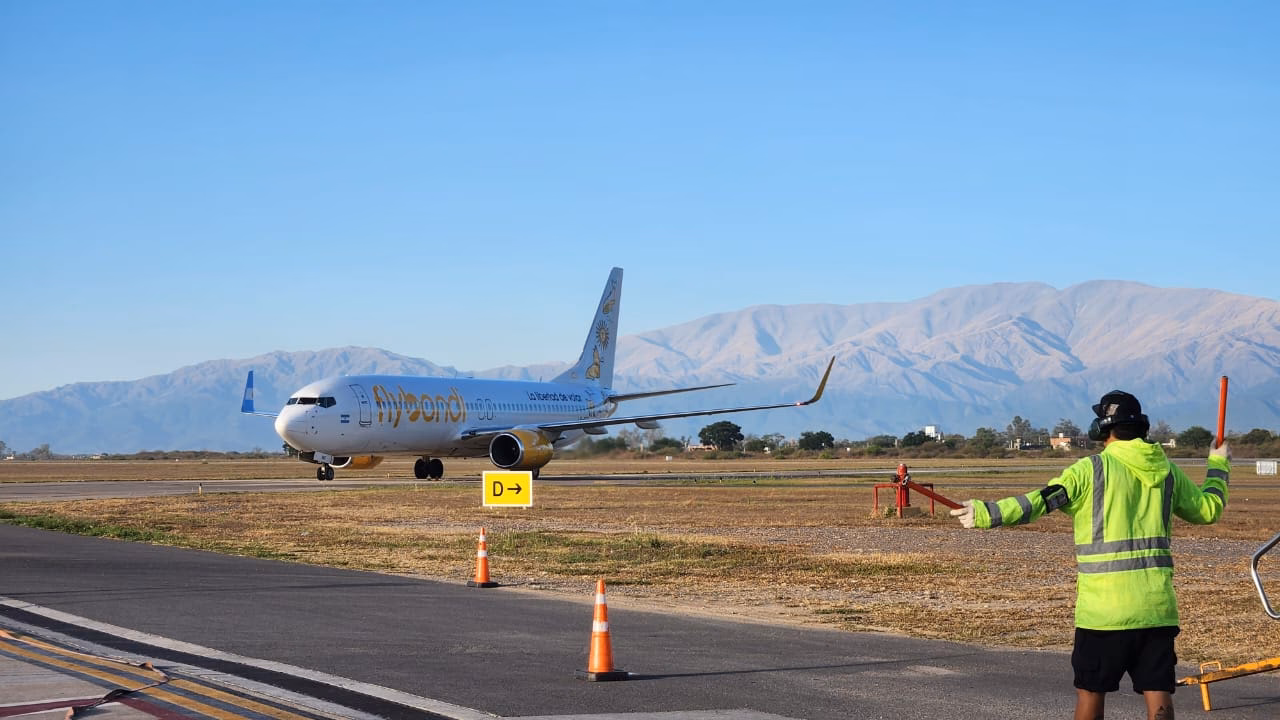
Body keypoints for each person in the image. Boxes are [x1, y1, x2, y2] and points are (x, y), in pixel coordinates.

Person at [950, 390, 1229, 720]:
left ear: (1103, 428)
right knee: (1159, 691)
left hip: (1103, 612)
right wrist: (1218, 464)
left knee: (1091, 692)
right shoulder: (1168, 472)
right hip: (1156, 610)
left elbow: (1040, 502)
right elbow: (1209, 509)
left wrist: (987, 513)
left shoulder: (1090, 470)